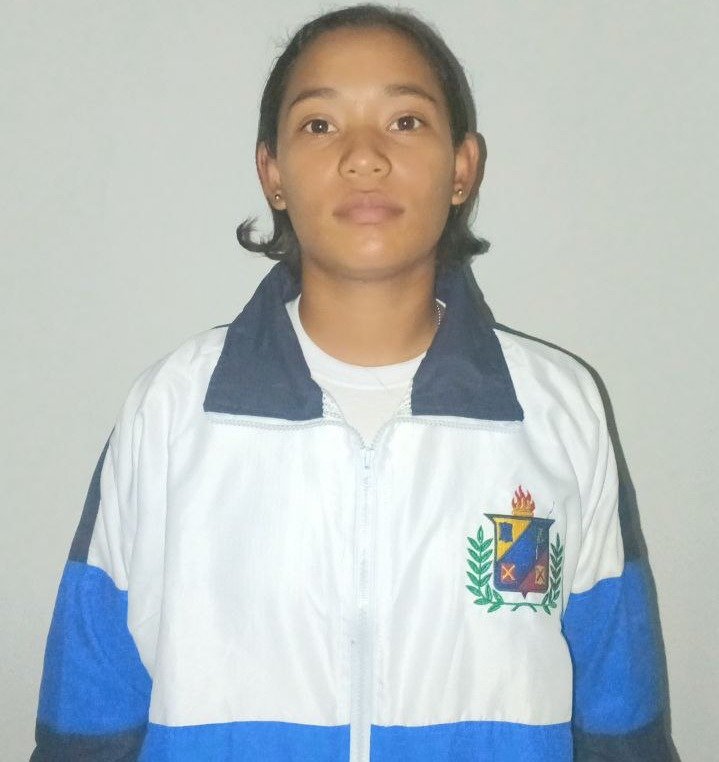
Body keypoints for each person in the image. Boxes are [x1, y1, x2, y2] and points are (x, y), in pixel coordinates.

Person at [32, 4, 673, 761]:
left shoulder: (558, 410)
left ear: (462, 168)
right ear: (272, 173)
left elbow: (620, 720)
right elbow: (89, 715)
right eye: (319, 124)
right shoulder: (174, 411)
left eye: (405, 121)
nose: (364, 157)